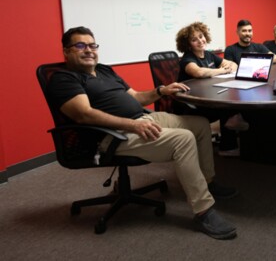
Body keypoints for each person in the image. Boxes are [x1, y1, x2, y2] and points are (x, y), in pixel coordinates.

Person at [47, 26, 238, 240]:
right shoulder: (64, 78)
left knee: (200, 125)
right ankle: (204, 211)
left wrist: (161, 91)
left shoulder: (104, 70)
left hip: (141, 118)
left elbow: (137, 97)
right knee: (183, 139)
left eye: (92, 45)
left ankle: (208, 182)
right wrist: (132, 125)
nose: (89, 50)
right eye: (80, 46)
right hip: (114, 135)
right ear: (66, 51)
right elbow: (85, 115)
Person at [175, 22, 247, 157]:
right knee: (227, 106)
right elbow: (199, 72)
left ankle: (234, 124)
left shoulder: (208, 55)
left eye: (201, 36)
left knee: (234, 99)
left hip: (207, 95)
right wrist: (220, 70)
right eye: (194, 40)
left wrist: (228, 67)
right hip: (192, 104)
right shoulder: (188, 58)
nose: (200, 41)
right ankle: (228, 147)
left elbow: (233, 65)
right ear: (188, 44)